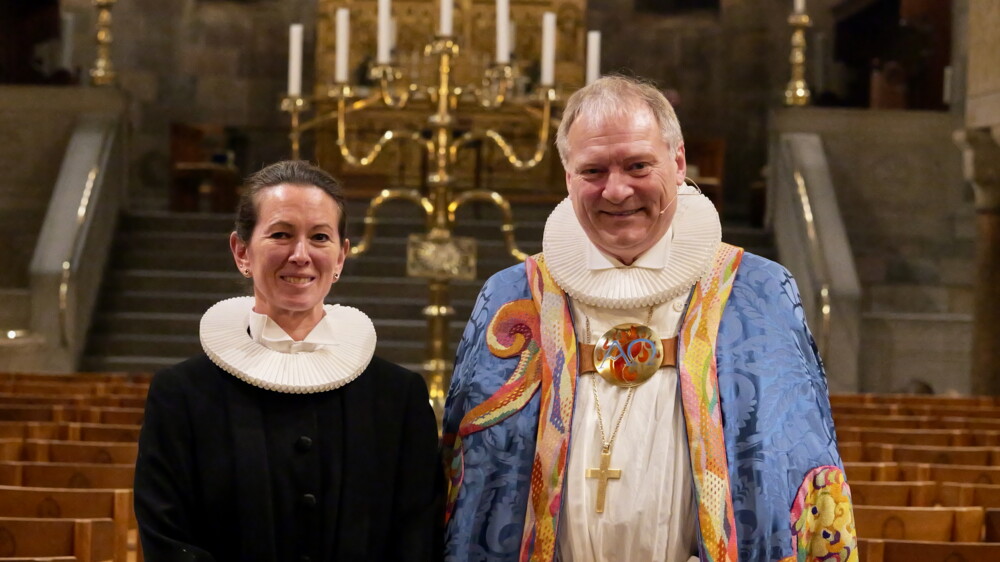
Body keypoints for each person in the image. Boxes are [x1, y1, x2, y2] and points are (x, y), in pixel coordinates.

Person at [441, 76, 856, 562]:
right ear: (567, 177)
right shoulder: (511, 297)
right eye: (592, 170)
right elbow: (468, 486)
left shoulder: (758, 292)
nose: (616, 191)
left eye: (638, 165)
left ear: (678, 163)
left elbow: (800, 464)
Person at [134, 160, 441, 561]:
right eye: (281, 234)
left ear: (342, 256)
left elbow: (419, 536)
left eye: (319, 237)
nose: (301, 255)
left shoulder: (398, 396)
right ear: (241, 251)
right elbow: (167, 536)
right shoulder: (181, 394)